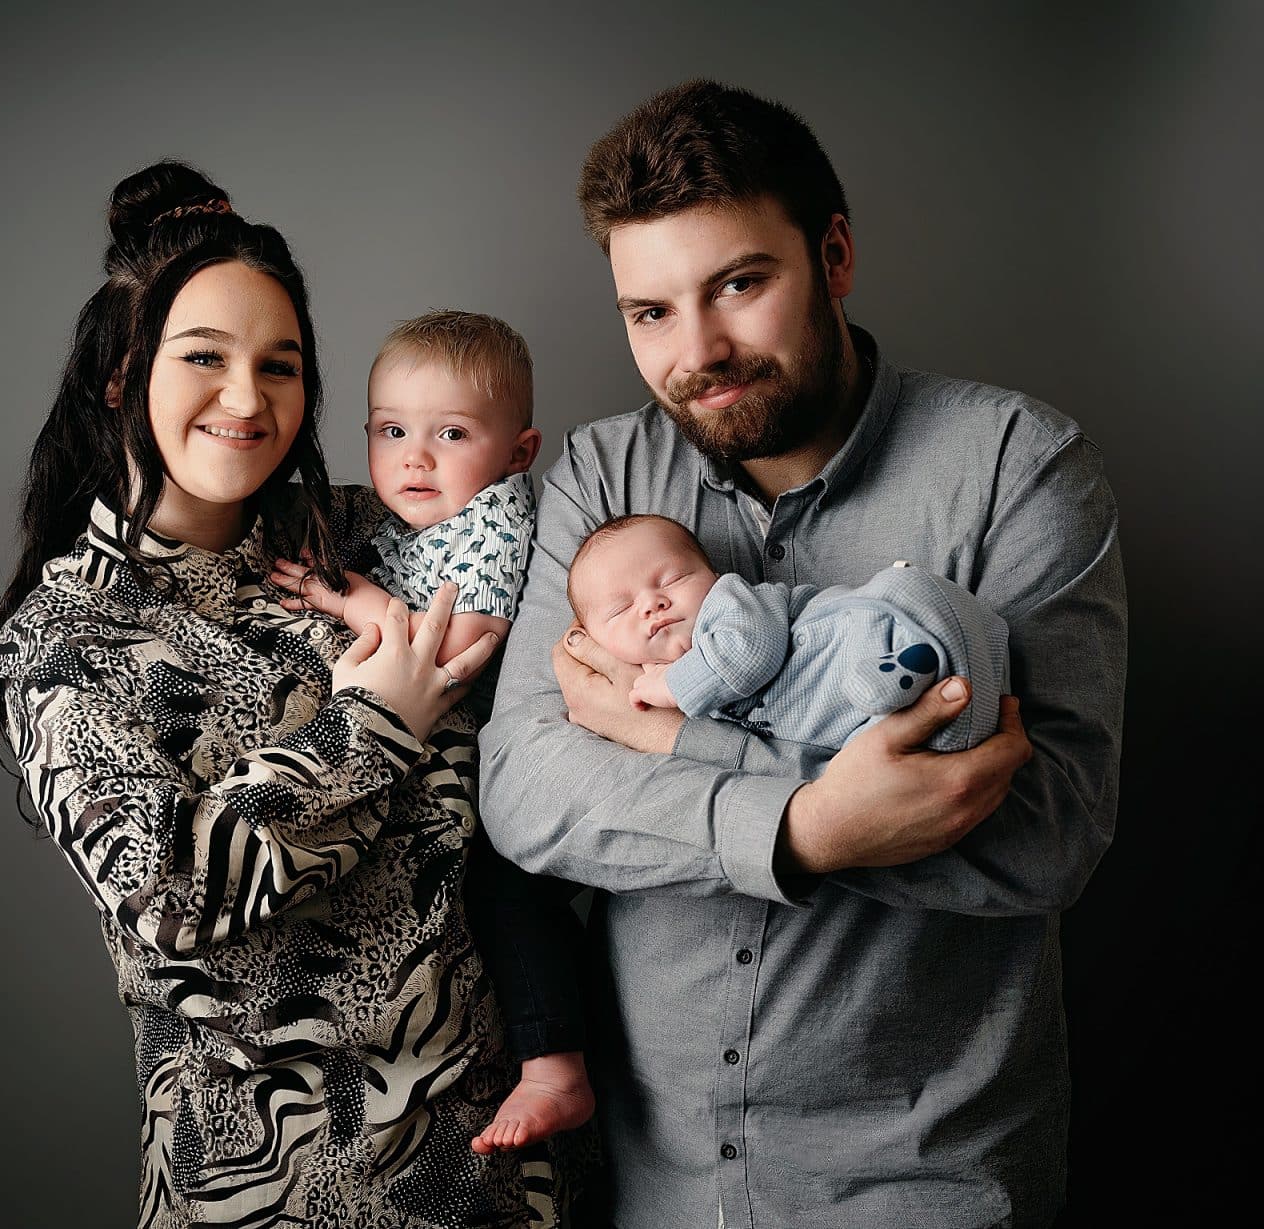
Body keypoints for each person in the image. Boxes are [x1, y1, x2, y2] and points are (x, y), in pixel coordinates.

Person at [479, 81, 1127, 1228]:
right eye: (650, 312)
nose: (699, 352)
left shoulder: (1016, 466)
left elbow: (1049, 833)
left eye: (739, 284)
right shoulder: (599, 481)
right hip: (655, 1184)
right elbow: (528, 787)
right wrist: (809, 826)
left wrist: (664, 747)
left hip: (928, 1186)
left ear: (832, 253)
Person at [0, 162, 573, 1228]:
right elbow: (175, 897)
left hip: (499, 1160)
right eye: (205, 357)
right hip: (278, 1184)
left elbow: (567, 557)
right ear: (121, 376)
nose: (249, 399)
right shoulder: (67, 640)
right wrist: (374, 726)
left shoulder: (367, 530)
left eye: (282, 364)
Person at [269, 311, 597, 1158]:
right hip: (461, 772)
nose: (415, 457)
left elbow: (459, 647)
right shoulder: (413, 521)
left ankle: (558, 1066)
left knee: (510, 894)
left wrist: (356, 604)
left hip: (518, 766)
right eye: (391, 431)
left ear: (518, 452)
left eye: (450, 432)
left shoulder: (493, 519)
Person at [566, 513, 1008, 752]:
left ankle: (904, 660)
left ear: (713, 573)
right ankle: (901, 674)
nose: (652, 603)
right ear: (594, 642)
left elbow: (750, 654)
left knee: (853, 658)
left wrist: (671, 684)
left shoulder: (731, 604)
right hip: (881, 717)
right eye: (622, 608)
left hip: (876, 624)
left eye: (672, 579)